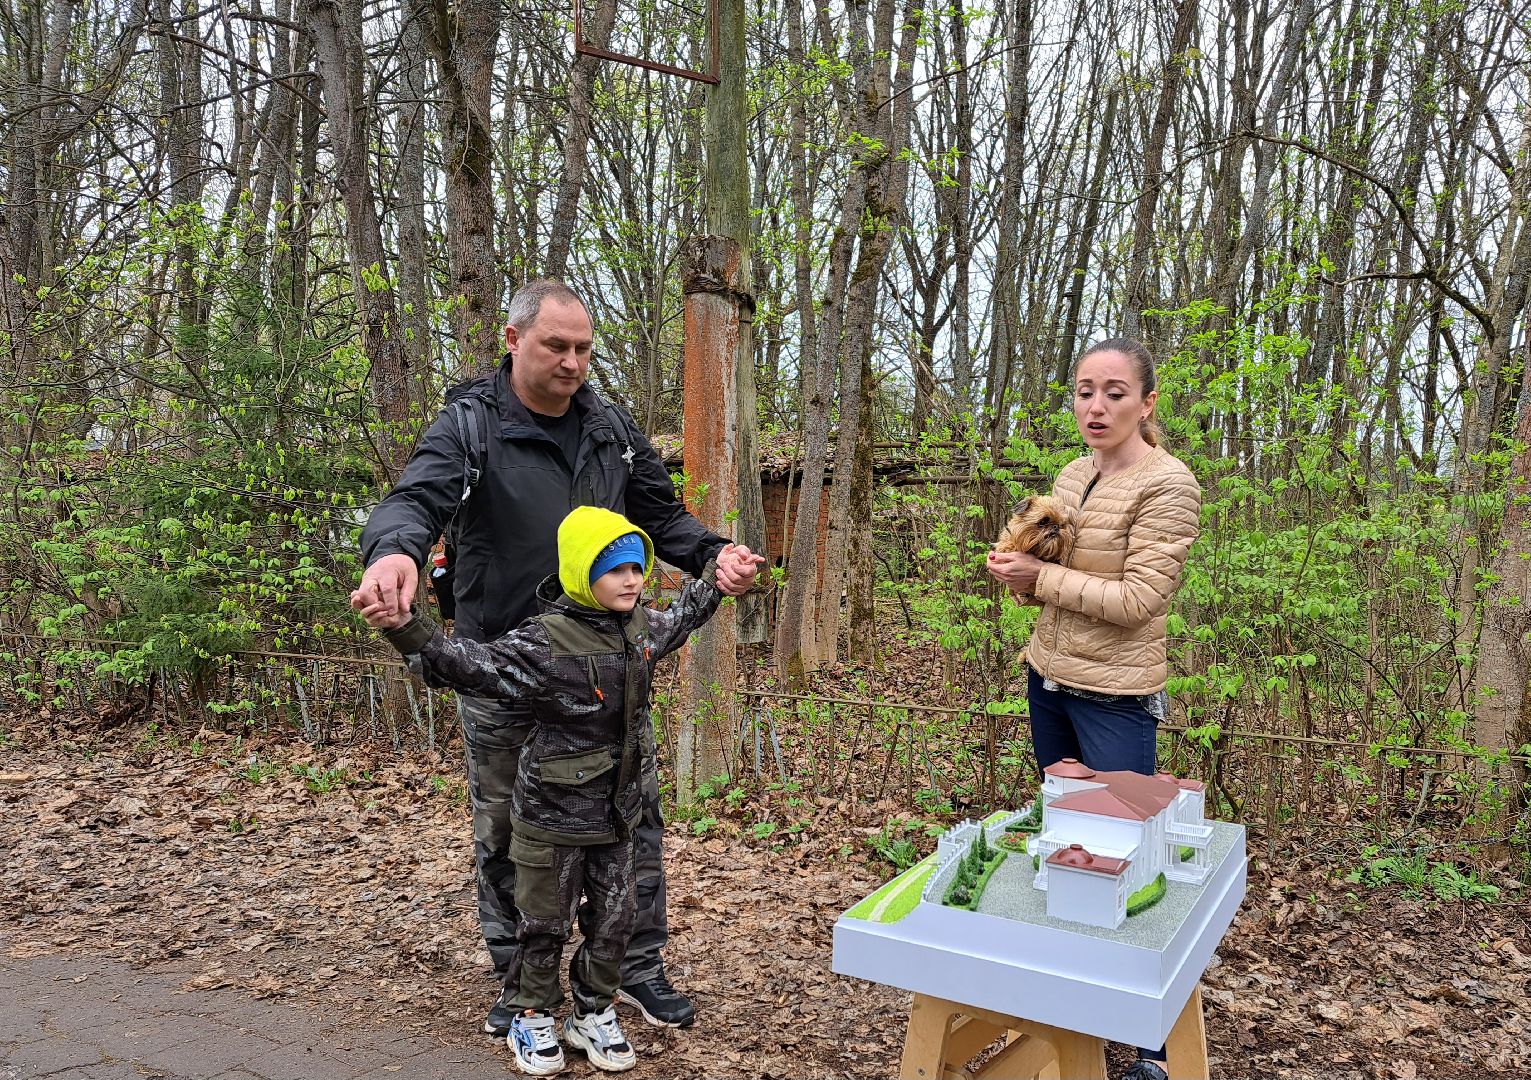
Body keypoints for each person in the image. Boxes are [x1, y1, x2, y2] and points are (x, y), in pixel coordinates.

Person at [353, 278, 763, 1037]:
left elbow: (661, 515)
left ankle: (634, 970)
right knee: (510, 835)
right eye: (556, 346)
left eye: (582, 348)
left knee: (629, 822)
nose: (572, 362)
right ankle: (522, 989)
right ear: (513, 341)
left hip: (604, 673)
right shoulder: (469, 425)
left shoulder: (609, 426)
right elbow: (413, 501)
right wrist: (393, 555)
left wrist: (714, 555)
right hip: (505, 666)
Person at [360, 507, 745, 1074]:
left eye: (638, 568)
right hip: (550, 819)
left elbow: (684, 615)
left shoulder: (639, 629)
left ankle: (591, 1011)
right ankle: (533, 1017)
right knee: (542, 925)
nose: (633, 580)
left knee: (615, 919)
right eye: (615, 570)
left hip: (616, 816)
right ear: (580, 573)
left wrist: (719, 575)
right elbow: (465, 665)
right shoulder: (542, 642)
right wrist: (402, 625)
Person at [986, 336, 1201, 1080]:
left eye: (1114, 392)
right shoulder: (1072, 473)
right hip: (1047, 678)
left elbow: (1141, 599)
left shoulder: (1167, 483)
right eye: (1084, 391)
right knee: (1071, 847)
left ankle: (1155, 1047)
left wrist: (1039, 579)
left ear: (1146, 402)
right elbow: (1053, 574)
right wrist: (1017, 572)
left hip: (1114, 696)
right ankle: (1078, 1009)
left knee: (1131, 863)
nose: (1096, 406)